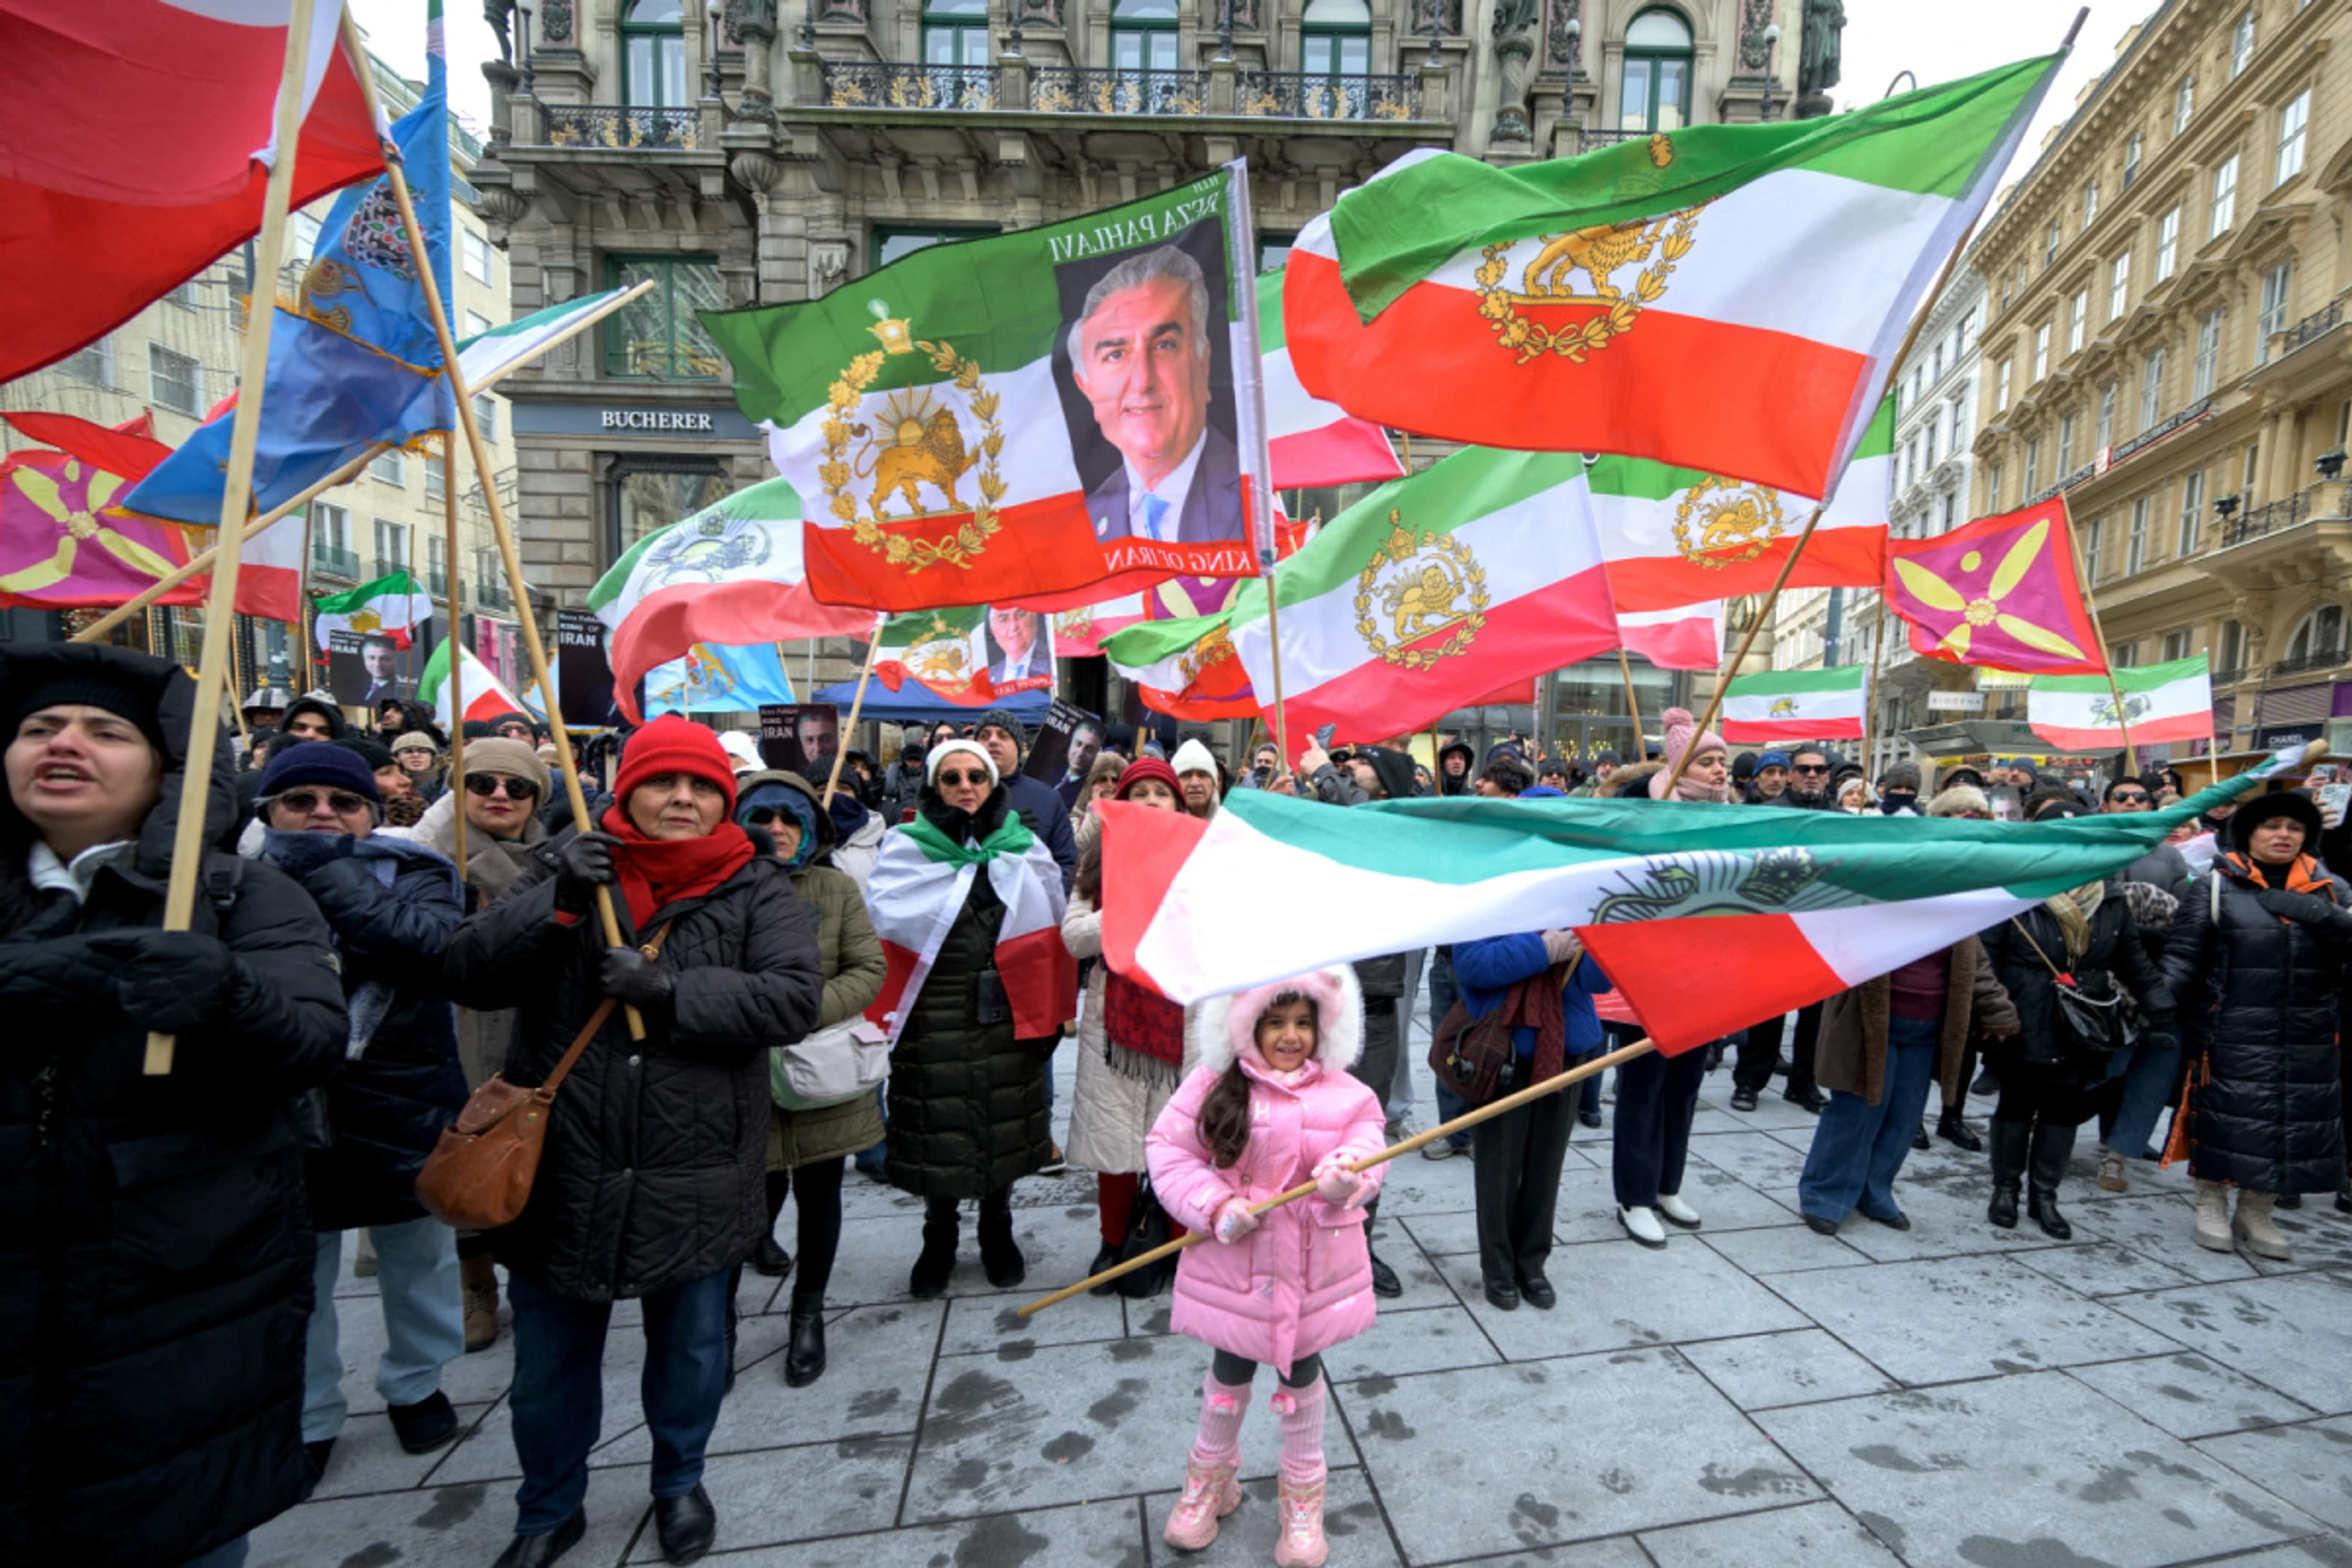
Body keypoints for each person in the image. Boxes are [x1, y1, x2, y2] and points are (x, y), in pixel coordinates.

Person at [443, 716, 824, 1568]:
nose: (681, 798)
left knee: (690, 1347)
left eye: (700, 787)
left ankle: (678, 1479)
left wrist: (673, 988)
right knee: (549, 1361)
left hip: (696, 1161)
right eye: (662, 783)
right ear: (626, 790)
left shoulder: (756, 887)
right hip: (566, 1161)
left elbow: (792, 998)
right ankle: (548, 1504)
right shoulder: (562, 864)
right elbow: (465, 970)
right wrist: (556, 901)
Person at [0, 644, 346, 1568]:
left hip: (175, 1319)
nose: (64, 744)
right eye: (40, 728)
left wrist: (226, 994)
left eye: (104, 731)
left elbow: (312, 1042)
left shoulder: (239, 897)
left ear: (170, 768)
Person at [249, 742, 469, 1487]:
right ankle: (310, 1411)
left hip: (403, 1094)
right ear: (266, 811)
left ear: (373, 812)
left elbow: (427, 945)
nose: (321, 814)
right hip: (275, 1101)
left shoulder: (420, 871)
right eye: (300, 800)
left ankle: (415, 1381)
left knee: (417, 1254)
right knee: (294, 1268)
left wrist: (329, 869)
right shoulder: (227, 881)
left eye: (342, 803)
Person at [1145, 966, 1385, 1566]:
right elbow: (1169, 1150)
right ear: (1247, 1023)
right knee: (1228, 1373)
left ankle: (1302, 1498)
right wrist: (1215, 1204)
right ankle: (1209, 1479)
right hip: (1234, 1269)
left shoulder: (1347, 1093)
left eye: (1303, 1022)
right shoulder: (1211, 1084)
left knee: (1302, 1374)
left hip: (1310, 1272)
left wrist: (1345, 1174)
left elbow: (1369, 1142)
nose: (1289, 1034)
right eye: (1275, 1021)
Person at [877, 738, 1074, 1297]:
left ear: (994, 785)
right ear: (934, 787)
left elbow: (1052, 932)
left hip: (1006, 1017)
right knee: (935, 1130)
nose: (966, 787)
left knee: (1004, 1125)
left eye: (976, 777)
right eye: (952, 778)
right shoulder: (904, 849)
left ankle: (997, 1228)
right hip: (931, 1018)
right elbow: (883, 930)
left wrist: (1050, 1013)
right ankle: (937, 1235)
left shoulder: (1023, 847)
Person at [398, 736, 555, 1353]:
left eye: (516, 786)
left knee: (527, 1151)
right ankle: (475, 1285)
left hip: (534, 1022)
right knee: (466, 1153)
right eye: (482, 782)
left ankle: (530, 1274)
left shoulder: (557, 853)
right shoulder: (428, 858)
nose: (498, 795)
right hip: (454, 1027)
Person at [733, 768, 887, 1384]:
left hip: (818, 1065)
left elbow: (866, 967)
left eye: (789, 819)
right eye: (763, 817)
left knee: (820, 1191)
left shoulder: (834, 886)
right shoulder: (719, 887)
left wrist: (801, 1011)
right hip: (739, 1069)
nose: (775, 830)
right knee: (749, 1193)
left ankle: (807, 1312)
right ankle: (718, 1322)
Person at [2162, 790, 2351, 1259]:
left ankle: (2256, 1210)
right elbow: (2182, 958)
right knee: (2227, 1118)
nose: (2283, 835)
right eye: (2271, 826)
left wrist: (2331, 920)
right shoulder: (2213, 887)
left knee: (2288, 1124)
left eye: (2294, 827)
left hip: (2308, 1033)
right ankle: (2209, 1202)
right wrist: (2153, 1006)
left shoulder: (2335, 891)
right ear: (2248, 834)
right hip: (2231, 1028)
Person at [1979, 867, 2175, 1241]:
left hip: (2085, 1019)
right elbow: (1986, 958)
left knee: (2063, 1111)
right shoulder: (2018, 892)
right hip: (2024, 1014)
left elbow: (2134, 963)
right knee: (2016, 1105)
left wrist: (2161, 1013)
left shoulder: (2110, 900)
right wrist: (1990, 1012)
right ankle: (2005, 1190)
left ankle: (2045, 1197)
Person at [1065, 758, 1194, 1294]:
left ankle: (1182, 1246)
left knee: (1184, 1142)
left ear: (1178, 805)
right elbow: (1074, 939)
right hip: (1111, 1023)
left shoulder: (1202, 863)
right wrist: (1128, 910)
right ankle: (1113, 1242)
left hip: (1185, 1018)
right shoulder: (1096, 864)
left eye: (1159, 793)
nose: (1149, 801)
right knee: (1114, 1142)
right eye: (1136, 792)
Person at [1799, 933, 2017, 1235]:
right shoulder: (1878, 898)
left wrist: (1998, 1012)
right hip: (1866, 1026)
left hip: (1924, 1034)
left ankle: (1873, 1191)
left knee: (1904, 1117)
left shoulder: (1959, 911)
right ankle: (1823, 1195)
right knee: (1858, 1111)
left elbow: (1976, 967)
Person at [1453, 927, 1613, 1309]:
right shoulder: (1492, 895)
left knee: (1547, 1165)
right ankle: (1498, 1267)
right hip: (1504, 1053)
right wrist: (1543, 948)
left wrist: (1594, 936)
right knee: (1499, 1168)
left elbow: (1598, 981)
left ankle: (1533, 1263)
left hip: (1566, 1049)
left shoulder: (1578, 901)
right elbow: (1473, 965)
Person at [1615, 709, 1729, 1246]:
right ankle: (1634, 1196)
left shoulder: (1736, 815)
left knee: (1685, 1086)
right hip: (1650, 973)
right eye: (1706, 761)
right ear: (1681, 765)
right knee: (1643, 1089)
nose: (1718, 771)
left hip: (1707, 973)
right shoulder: (1642, 807)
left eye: (1722, 761)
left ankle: (1666, 1185)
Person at [1071, 245, 1244, 547]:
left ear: (1203, 364)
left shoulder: (1258, 499)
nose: (1142, 381)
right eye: (1116, 354)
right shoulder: (1078, 527)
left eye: (1164, 345)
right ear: (1087, 388)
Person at [972, 708, 1080, 892]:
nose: (992, 741)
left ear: (1020, 746)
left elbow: (1067, 864)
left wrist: (1042, 900)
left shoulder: (1047, 799)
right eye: (984, 735)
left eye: (1003, 735)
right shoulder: (958, 793)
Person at [981, 605, 1054, 686]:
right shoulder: (988, 677)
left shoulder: (1053, 663)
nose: (1013, 627)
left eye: (1021, 615)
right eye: (1003, 620)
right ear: (994, 632)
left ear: (1035, 619)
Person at [1069, 752, 1125, 845]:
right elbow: (1080, 844)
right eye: (1103, 779)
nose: (1110, 784)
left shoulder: (1125, 813)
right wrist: (1096, 807)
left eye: (1114, 780)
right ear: (1091, 784)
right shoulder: (1076, 813)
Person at [882, 726, 930, 822]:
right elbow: (889, 789)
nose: (913, 763)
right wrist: (894, 766)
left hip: (922, 817)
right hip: (900, 816)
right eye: (910, 760)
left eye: (917, 760)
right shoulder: (898, 774)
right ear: (904, 761)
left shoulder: (927, 775)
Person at [1055, 720, 1104, 810]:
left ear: (1097, 754)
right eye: (1078, 744)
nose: (1081, 753)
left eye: (1089, 749)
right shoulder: (1050, 772)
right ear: (1070, 745)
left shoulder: (1089, 791)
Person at [1171, 737, 1222, 819]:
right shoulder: (1166, 826)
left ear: (1213, 783)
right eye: (1186, 775)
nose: (1194, 783)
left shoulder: (1230, 826)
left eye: (1202, 775)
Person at [391, 729, 446, 802]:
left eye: (422, 751)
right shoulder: (389, 785)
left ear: (432, 757)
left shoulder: (445, 784)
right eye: (408, 751)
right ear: (397, 757)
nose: (415, 755)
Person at [358, 634, 410, 710]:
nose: (377, 664)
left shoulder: (401, 691)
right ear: (364, 660)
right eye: (372, 658)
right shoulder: (357, 686)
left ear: (396, 660)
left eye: (385, 659)